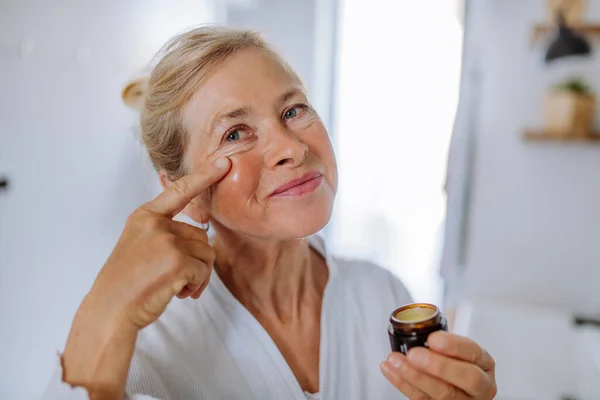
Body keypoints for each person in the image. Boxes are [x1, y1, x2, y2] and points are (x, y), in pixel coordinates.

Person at [42, 26, 497, 400]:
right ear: (185, 192)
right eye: (236, 134)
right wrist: (105, 305)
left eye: (294, 110)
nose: (291, 148)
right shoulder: (148, 346)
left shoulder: (380, 293)